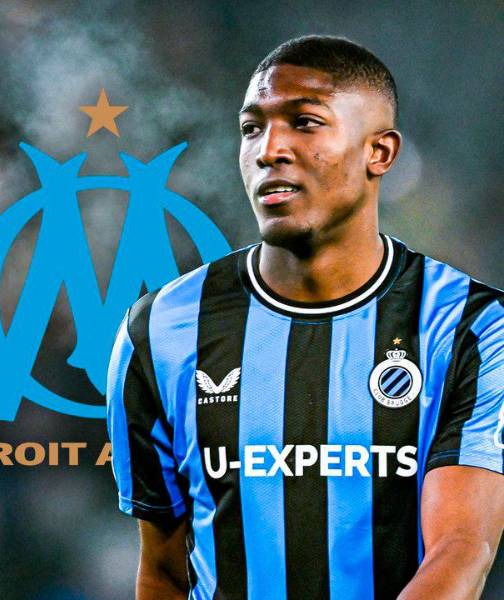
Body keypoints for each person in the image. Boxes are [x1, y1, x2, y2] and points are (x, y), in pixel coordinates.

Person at [106, 35, 504, 600]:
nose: (269, 149)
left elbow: (462, 549)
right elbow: (164, 572)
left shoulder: (472, 327)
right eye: (252, 128)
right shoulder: (159, 330)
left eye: (305, 122)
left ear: (379, 152)